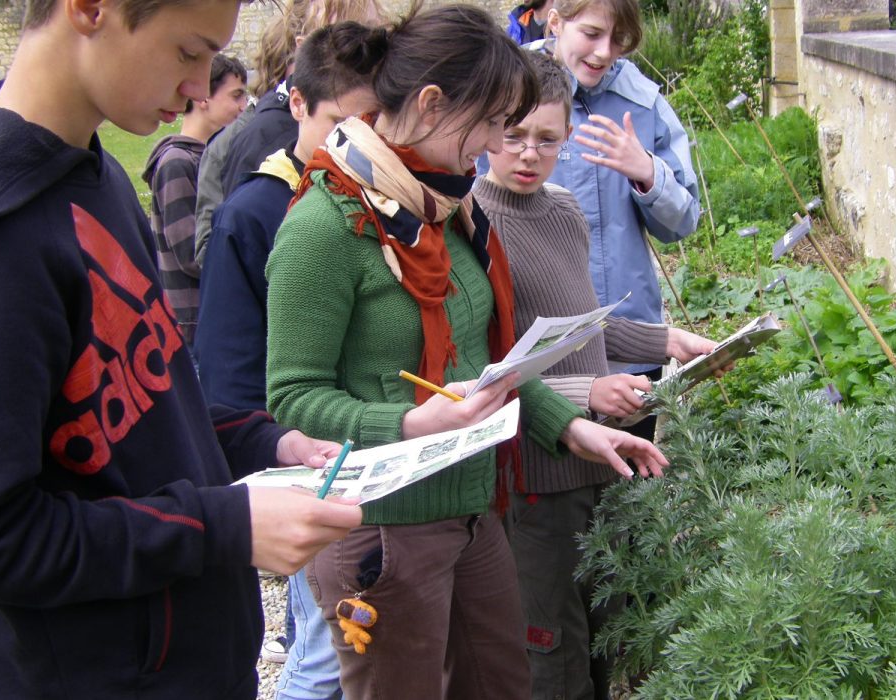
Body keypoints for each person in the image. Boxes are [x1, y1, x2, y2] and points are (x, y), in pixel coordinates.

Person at [0, 0, 363, 696]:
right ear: (89, 10)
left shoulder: (89, 171)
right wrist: (220, 526)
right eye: (189, 53)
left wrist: (261, 442)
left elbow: (139, 404)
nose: (202, 86)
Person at [264, 6, 668, 698]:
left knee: (504, 684)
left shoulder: (445, 210)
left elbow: (489, 367)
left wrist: (573, 428)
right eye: (489, 124)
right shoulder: (324, 228)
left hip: (472, 512)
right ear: (429, 105)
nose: (491, 145)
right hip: (382, 534)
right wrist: (408, 422)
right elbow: (292, 397)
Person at [473, 50, 716, 700]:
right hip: (532, 471)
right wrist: (585, 392)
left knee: (606, 627)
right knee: (551, 648)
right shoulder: (472, 224)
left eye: (547, 139)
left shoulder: (561, 211)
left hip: (598, 457)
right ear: (485, 129)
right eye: (513, 134)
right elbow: (481, 370)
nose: (529, 152)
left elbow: (583, 327)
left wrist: (667, 338)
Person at [196, 25, 379, 700]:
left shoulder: (374, 193)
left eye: (370, 124)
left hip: (368, 447)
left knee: (356, 635)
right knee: (325, 648)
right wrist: (271, 458)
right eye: (337, 124)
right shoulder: (259, 209)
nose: (355, 142)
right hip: (299, 453)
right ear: (296, 104)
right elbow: (227, 364)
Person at [534, 0, 701, 438]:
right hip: (544, 348)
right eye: (591, 34)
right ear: (556, 23)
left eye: (619, 40)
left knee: (631, 481)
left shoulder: (642, 102)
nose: (604, 52)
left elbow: (682, 221)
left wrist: (647, 173)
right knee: (559, 488)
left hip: (633, 344)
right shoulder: (517, 91)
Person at [192, 0, 382, 267]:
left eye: (371, 38)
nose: (363, 55)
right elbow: (231, 253)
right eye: (343, 42)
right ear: (306, 48)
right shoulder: (266, 140)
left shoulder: (379, 130)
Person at [143, 52, 247, 347]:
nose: (243, 107)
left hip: (217, 318)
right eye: (236, 96)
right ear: (203, 98)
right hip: (193, 326)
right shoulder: (177, 162)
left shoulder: (214, 158)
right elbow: (191, 254)